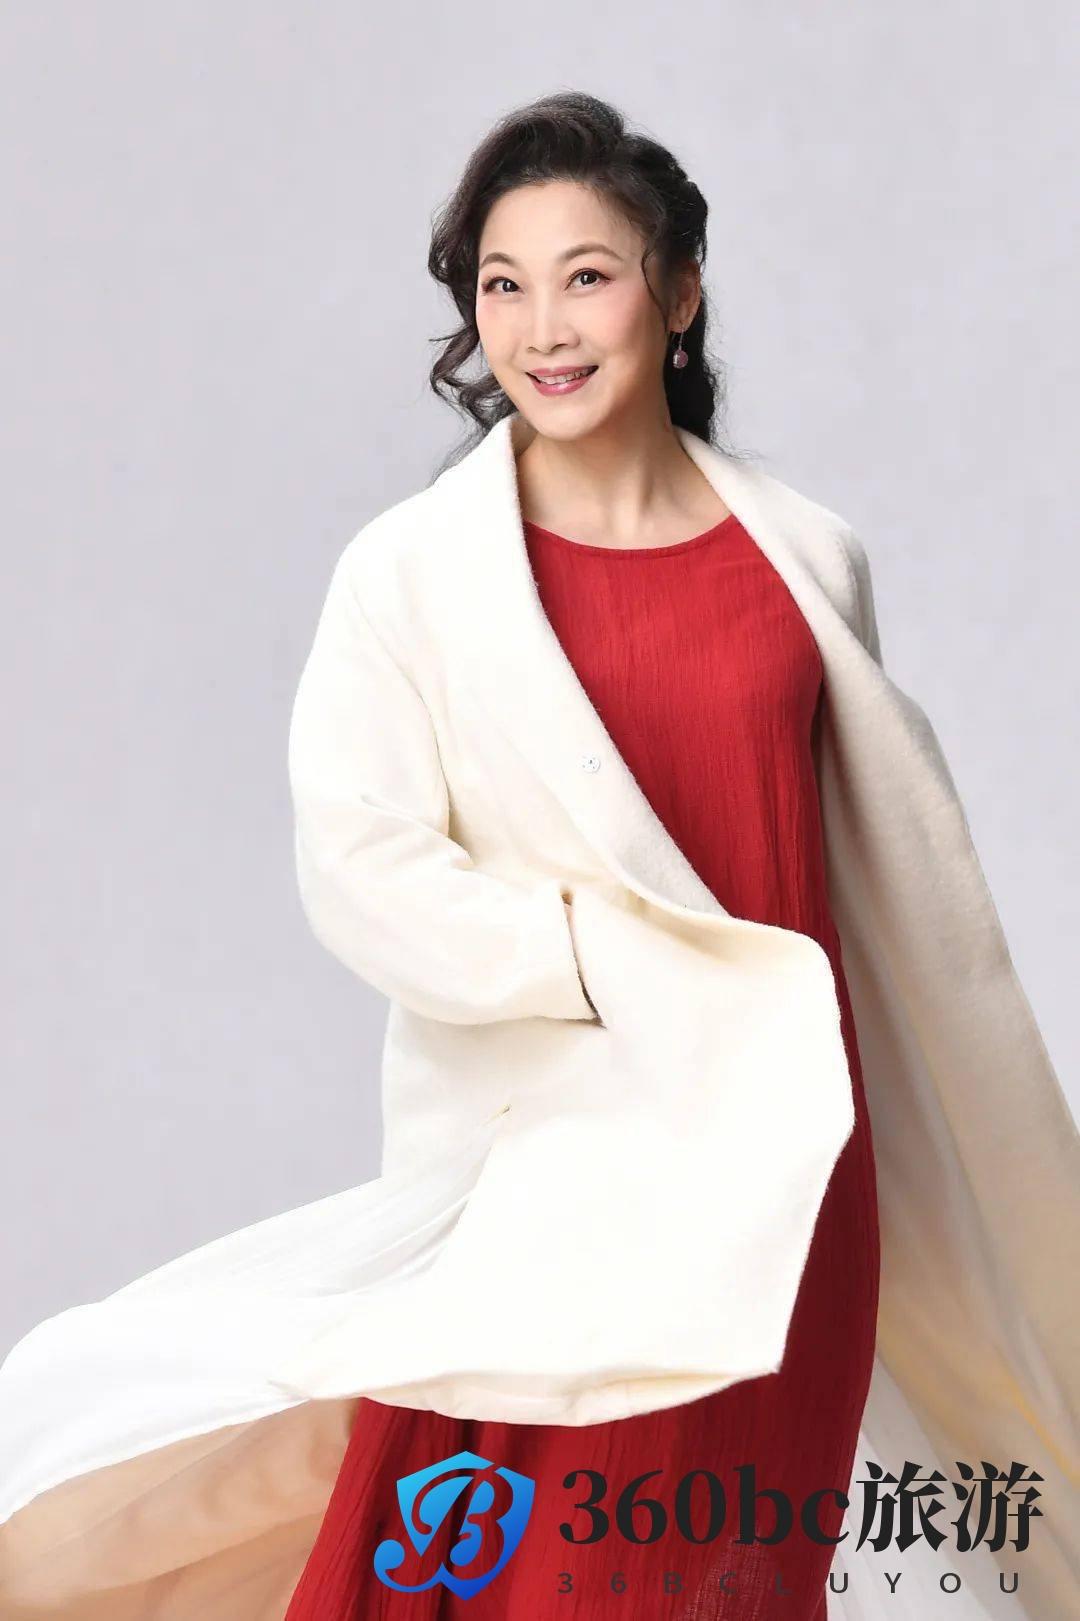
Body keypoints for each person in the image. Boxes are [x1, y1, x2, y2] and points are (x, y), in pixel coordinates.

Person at [0, 90, 1075, 1621]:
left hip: (789, 1200)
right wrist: (590, 957)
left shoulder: (807, 555)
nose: (542, 327)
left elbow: (866, 890)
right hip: (561, 1192)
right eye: (502, 284)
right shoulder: (415, 575)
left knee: (728, 1587)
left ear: (679, 293)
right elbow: (360, 861)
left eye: (587, 275)